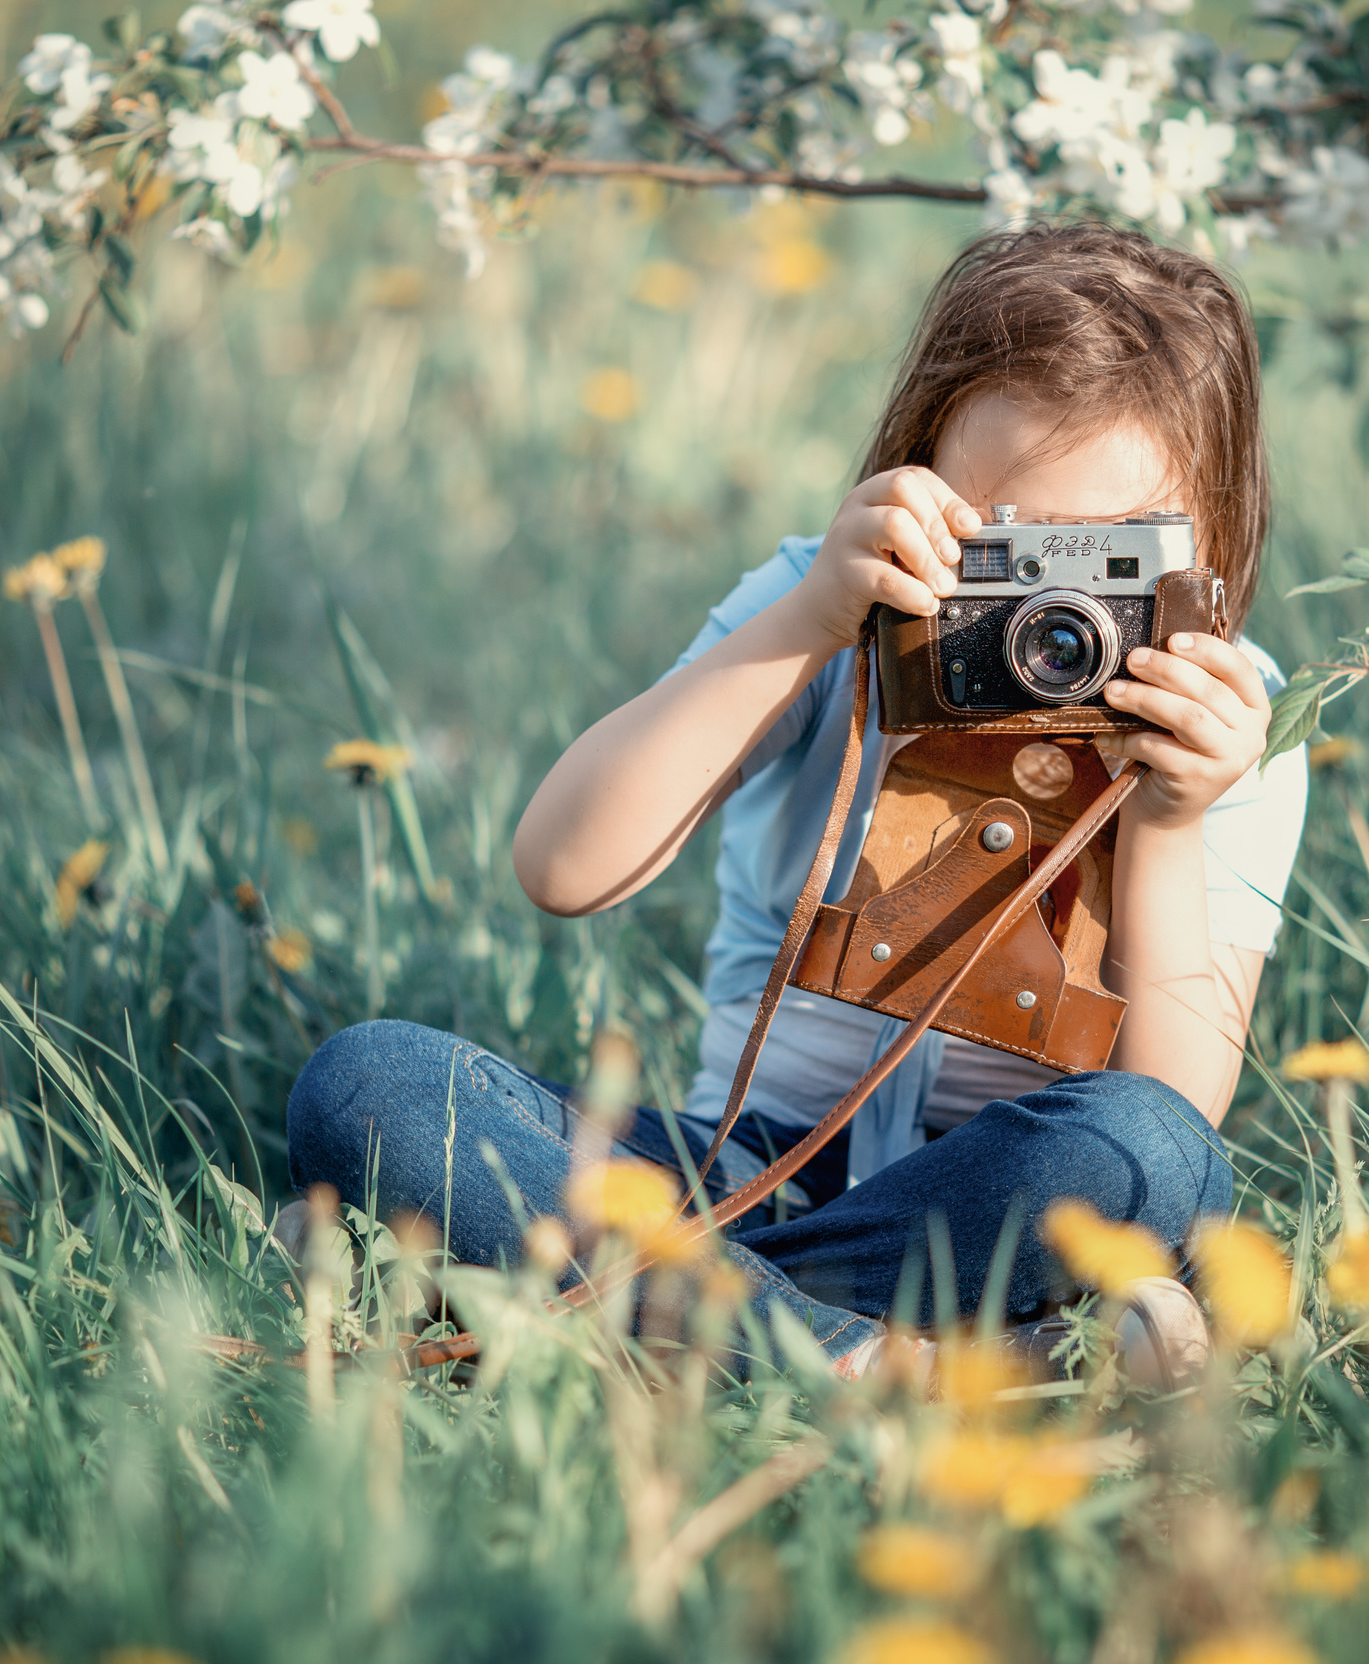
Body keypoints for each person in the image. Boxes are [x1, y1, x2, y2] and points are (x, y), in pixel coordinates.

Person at [285, 222, 1307, 1386]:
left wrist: (1168, 823)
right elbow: (563, 868)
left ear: (1211, 548)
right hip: (744, 1161)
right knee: (371, 1085)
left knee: (1152, 1156)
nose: (1049, 607)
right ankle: (913, 1369)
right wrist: (811, 622)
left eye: (1109, 558)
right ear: (909, 488)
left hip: (997, 1198)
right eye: (1002, 549)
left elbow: (1174, 1098)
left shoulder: (1228, 728)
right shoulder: (822, 610)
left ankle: (602, 1293)